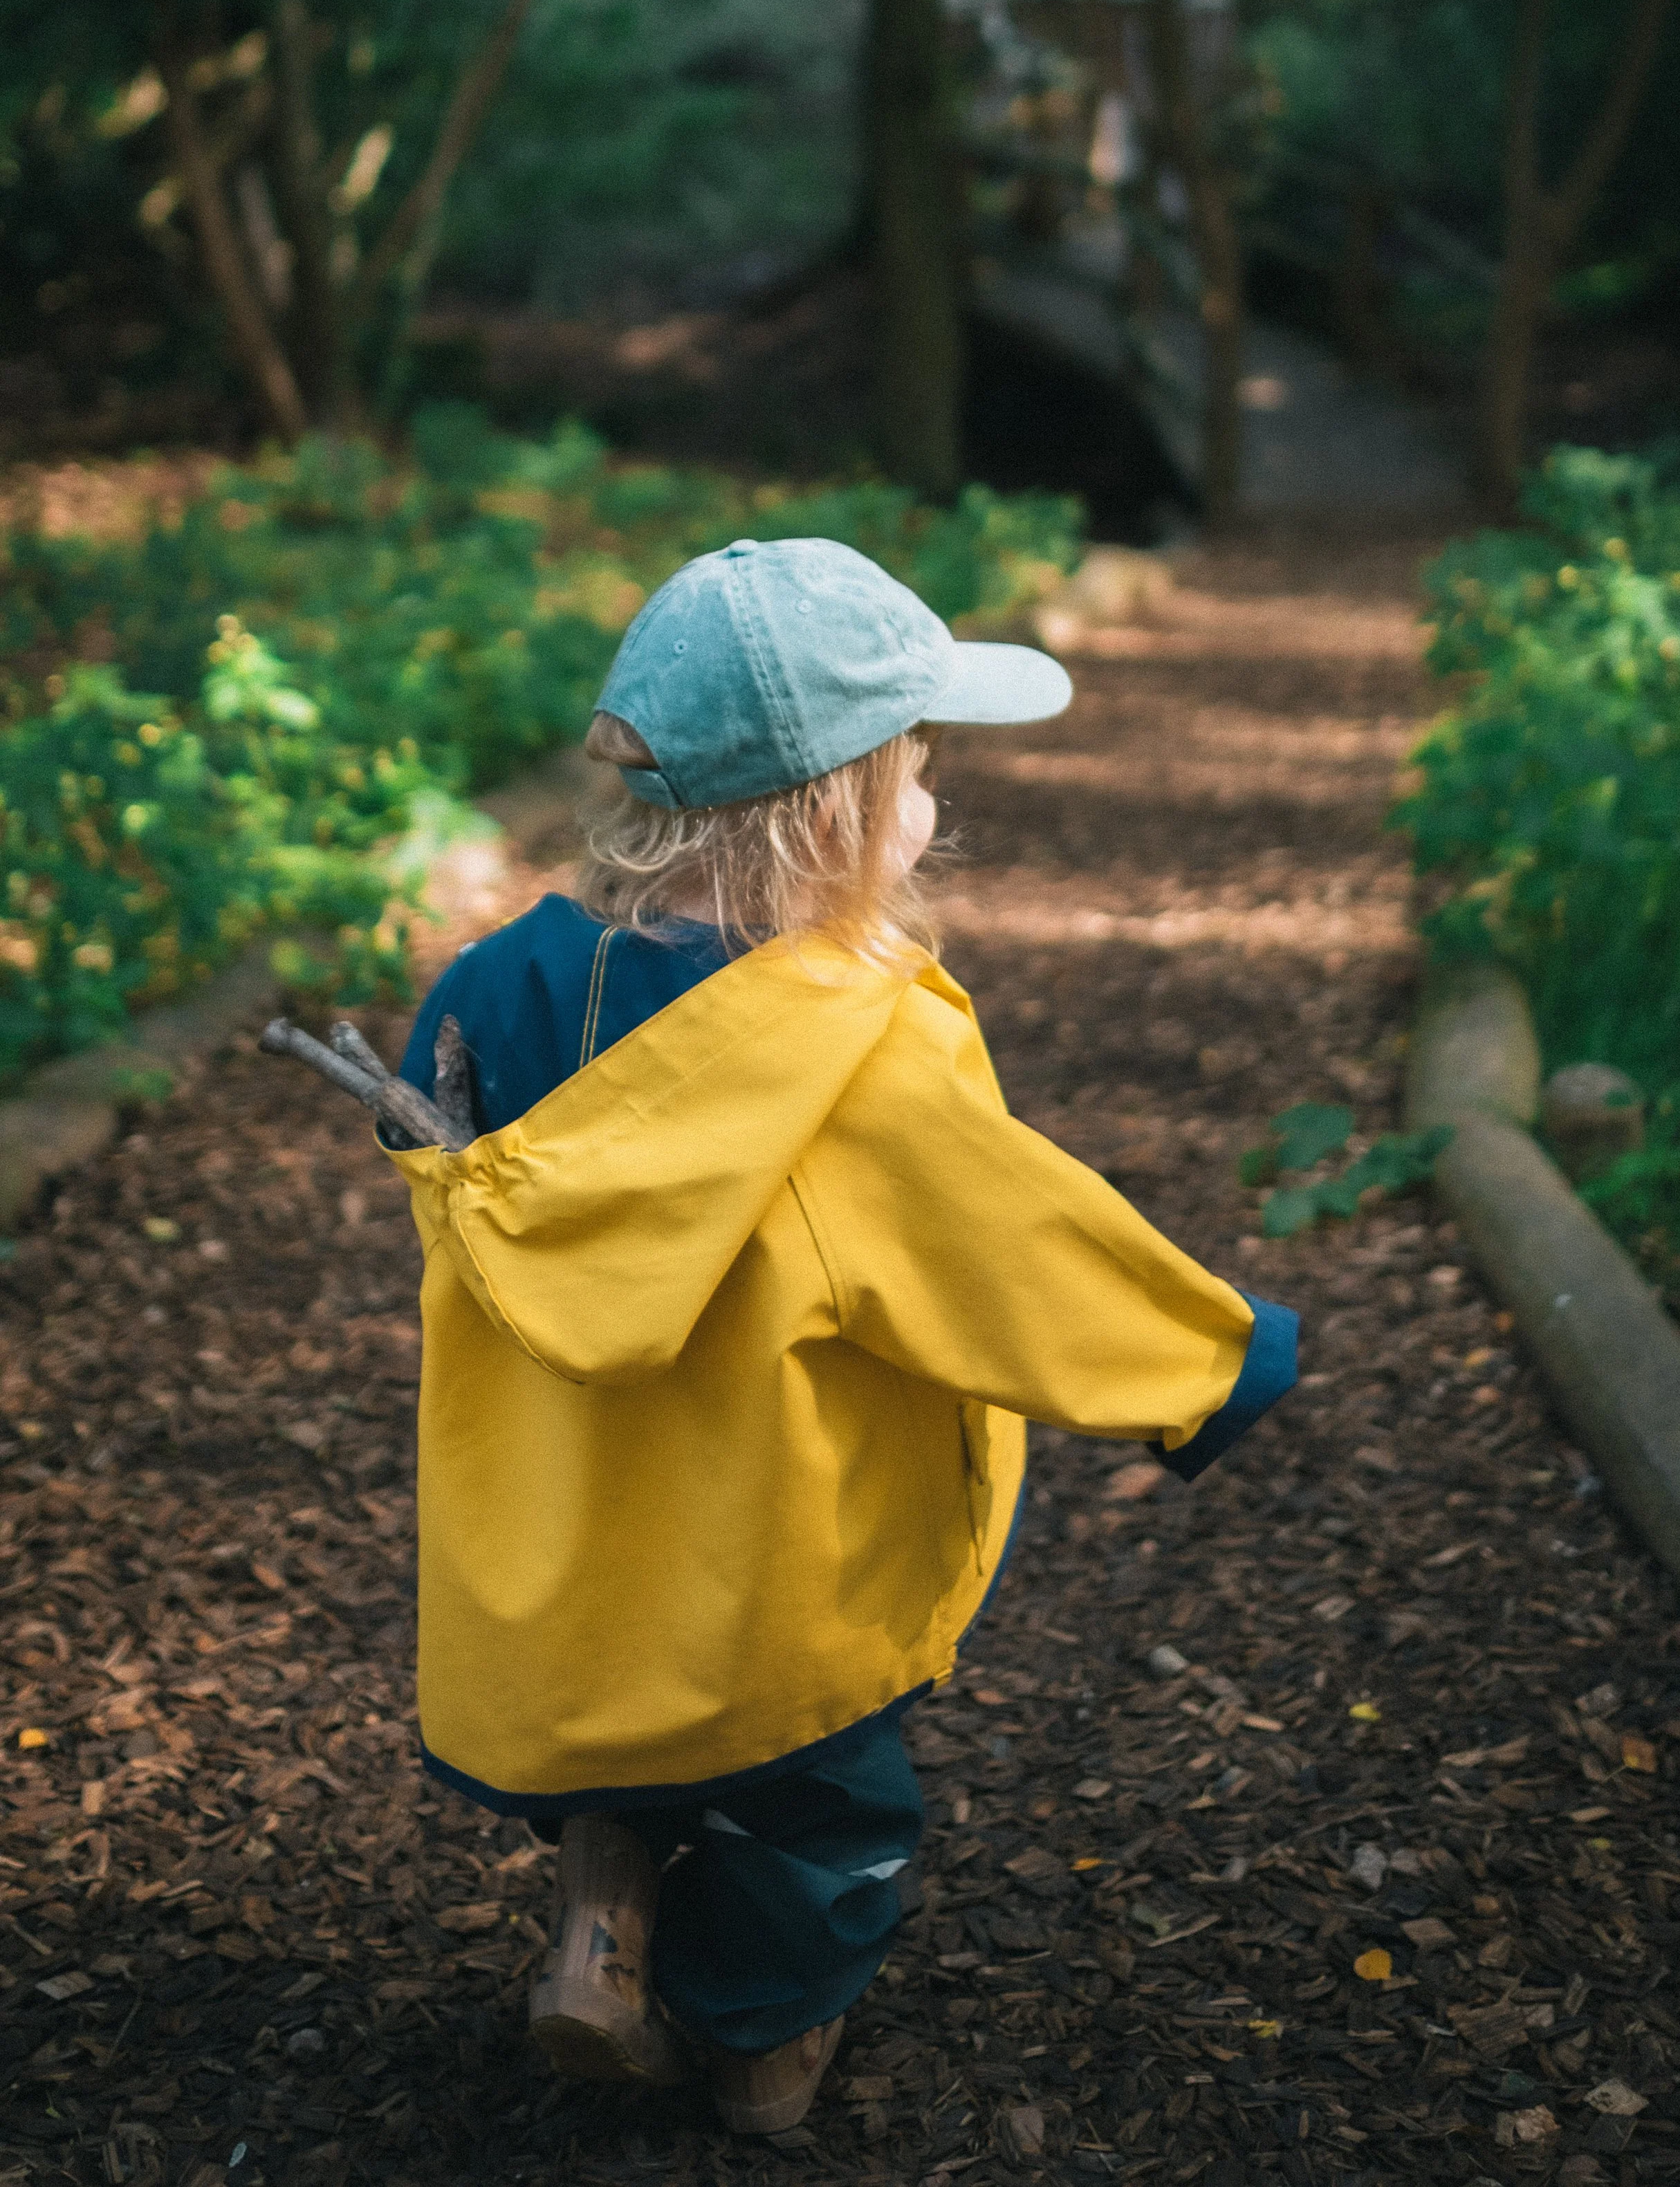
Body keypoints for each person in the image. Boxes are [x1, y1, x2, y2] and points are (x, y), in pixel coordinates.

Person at [389, 535, 1298, 2137]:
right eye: (920, 767)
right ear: (840, 810)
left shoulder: (483, 997)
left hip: (564, 1558)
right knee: (823, 1819)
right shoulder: (853, 1057)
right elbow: (1015, 1253)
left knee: (623, 1732)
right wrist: (1210, 1363)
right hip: (765, 1569)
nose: (935, 801)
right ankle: (760, 2056)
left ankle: (604, 1900)